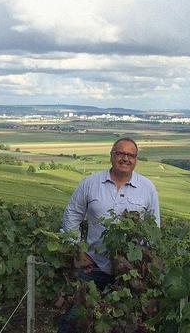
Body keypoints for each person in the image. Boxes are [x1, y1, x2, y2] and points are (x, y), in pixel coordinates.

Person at [58, 137, 160, 333]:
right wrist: (77, 249)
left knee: (122, 323)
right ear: (111, 156)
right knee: (75, 319)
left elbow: (153, 227)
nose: (125, 158)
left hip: (130, 272)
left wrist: (143, 263)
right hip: (93, 265)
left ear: (136, 159)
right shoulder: (90, 183)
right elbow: (72, 214)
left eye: (130, 155)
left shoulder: (147, 188)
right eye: (120, 153)